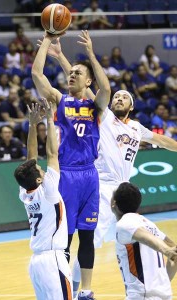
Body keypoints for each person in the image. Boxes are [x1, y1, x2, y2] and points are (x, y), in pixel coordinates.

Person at [46, 38, 177, 297]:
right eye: (116, 96)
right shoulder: (103, 116)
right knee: (90, 241)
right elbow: (82, 81)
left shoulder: (137, 129)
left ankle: (154, 286)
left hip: (123, 191)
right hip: (101, 186)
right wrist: (61, 58)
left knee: (136, 239)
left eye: (123, 97)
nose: (118, 98)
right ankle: (74, 291)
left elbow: (163, 141)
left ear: (131, 106)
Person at [32, 30, 110, 300]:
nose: (72, 75)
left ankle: (85, 291)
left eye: (78, 73)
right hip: (65, 174)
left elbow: (106, 89)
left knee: (87, 236)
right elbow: (37, 75)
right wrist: (47, 40)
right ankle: (63, 289)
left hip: (89, 175)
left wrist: (90, 54)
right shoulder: (59, 99)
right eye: (70, 72)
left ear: (88, 80)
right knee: (63, 239)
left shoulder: (95, 106)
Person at [14, 101, 72, 300]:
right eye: (40, 170)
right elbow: (52, 153)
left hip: (36, 263)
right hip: (53, 259)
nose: (42, 169)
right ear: (39, 179)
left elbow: (31, 159)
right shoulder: (49, 191)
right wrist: (49, 119)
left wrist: (31, 126)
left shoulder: (25, 192)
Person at [111, 182, 177, 300]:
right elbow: (174, 252)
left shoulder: (124, 224)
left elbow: (145, 237)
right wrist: (164, 282)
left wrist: (166, 250)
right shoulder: (149, 223)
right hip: (164, 295)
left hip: (142, 296)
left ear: (113, 203)